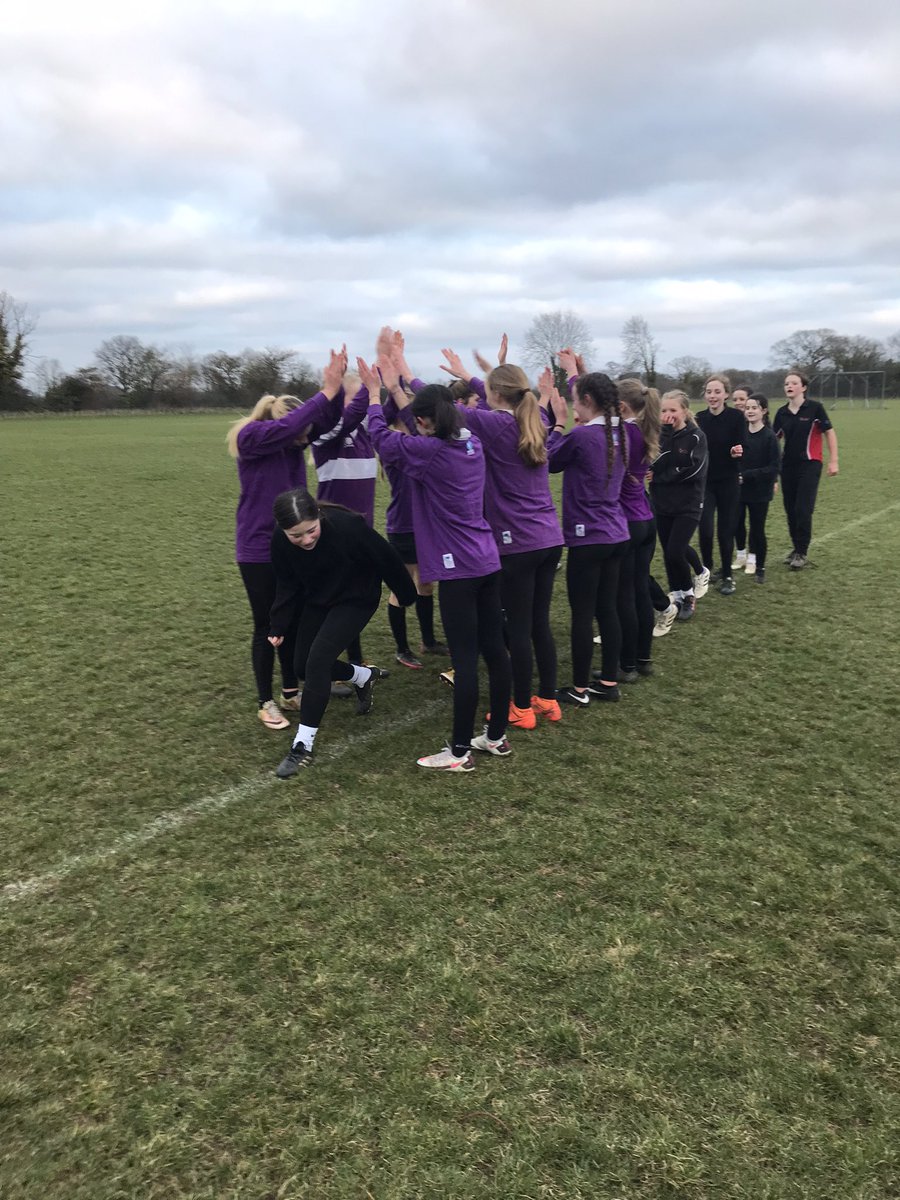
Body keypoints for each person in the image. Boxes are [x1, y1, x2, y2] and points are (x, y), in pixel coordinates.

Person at [364, 356, 513, 772]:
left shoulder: (430, 452)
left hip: (460, 571)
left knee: (465, 660)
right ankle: (495, 737)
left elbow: (381, 437)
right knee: (495, 651)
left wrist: (376, 395)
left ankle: (460, 752)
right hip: (487, 561)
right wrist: (399, 389)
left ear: (424, 422)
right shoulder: (471, 442)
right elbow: (425, 435)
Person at [439, 349, 564, 727]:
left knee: (519, 629)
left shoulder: (494, 424)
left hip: (518, 543)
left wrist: (402, 377)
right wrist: (471, 375)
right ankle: (548, 700)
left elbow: (442, 410)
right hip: (549, 539)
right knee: (539, 624)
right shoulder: (538, 416)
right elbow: (507, 394)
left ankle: (521, 708)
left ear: (494, 394)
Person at [226, 350, 347, 730]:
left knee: (293, 621)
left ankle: (291, 692)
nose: (307, 438)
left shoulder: (293, 442)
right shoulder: (252, 437)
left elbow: (328, 420)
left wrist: (337, 389)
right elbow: (292, 425)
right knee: (267, 625)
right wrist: (325, 392)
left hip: (292, 545)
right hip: (258, 549)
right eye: (301, 430)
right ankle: (266, 702)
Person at [269, 489, 416, 777]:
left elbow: (386, 557)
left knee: (318, 661)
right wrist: (279, 623)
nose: (306, 540)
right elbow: (286, 583)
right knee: (302, 667)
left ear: (319, 516)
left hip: (356, 598)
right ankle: (363, 676)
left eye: (311, 531)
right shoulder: (279, 541)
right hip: (319, 599)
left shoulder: (348, 527)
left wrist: (405, 593)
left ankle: (302, 746)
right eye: (296, 536)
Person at [548, 363, 630, 705]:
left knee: (582, 614)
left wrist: (557, 425)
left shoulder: (581, 436)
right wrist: (574, 371)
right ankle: (608, 682)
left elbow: (549, 460)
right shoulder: (620, 432)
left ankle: (580, 688)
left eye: (574, 400)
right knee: (606, 609)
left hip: (590, 536)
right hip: (616, 533)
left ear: (586, 401)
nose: (572, 406)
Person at [615, 378, 661, 679]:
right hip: (646, 518)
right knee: (641, 589)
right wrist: (579, 372)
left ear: (621, 407)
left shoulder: (622, 434)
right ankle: (643, 658)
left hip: (628, 521)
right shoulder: (644, 429)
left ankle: (626, 664)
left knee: (624, 595)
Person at [649, 391, 708, 621]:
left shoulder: (696, 436)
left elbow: (692, 470)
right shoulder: (658, 434)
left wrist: (660, 476)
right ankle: (677, 593)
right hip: (662, 502)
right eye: (664, 410)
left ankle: (689, 594)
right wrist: (664, 434)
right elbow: (652, 461)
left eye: (673, 410)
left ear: (684, 411)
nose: (668, 415)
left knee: (676, 550)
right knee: (669, 552)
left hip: (688, 504)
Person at [773, 372, 839, 569]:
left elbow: (829, 432)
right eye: (787, 383)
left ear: (803, 387)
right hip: (787, 467)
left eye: (794, 383)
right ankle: (796, 548)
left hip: (810, 464)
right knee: (791, 509)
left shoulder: (815, 408)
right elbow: (773, 440)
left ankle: (802, 552)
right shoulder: (781, 413)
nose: (789, 386)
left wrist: (834, 460)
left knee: (803, 508)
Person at [695, 374, 745, 596]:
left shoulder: (736, 417)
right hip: (705, 482)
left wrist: (737, 451)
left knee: (725, 531)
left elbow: (743, 446)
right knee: (705, 530)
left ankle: (727, 575)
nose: (712, 396)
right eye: (709, 392)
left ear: (726, 394)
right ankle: (706, 571)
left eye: (717, 392)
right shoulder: (698, 418)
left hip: (728, 481)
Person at [739, 393, 780, 583]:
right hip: (739, 490)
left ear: (763, 411)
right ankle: (739, 558)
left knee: (757, 529)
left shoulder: (770, 437)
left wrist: (747, 475)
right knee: (736, 525)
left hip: (760, 492)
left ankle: (760, 567)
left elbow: (773, 468)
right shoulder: (740, 434)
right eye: (747, 408)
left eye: (754, 408)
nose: (750, 411)